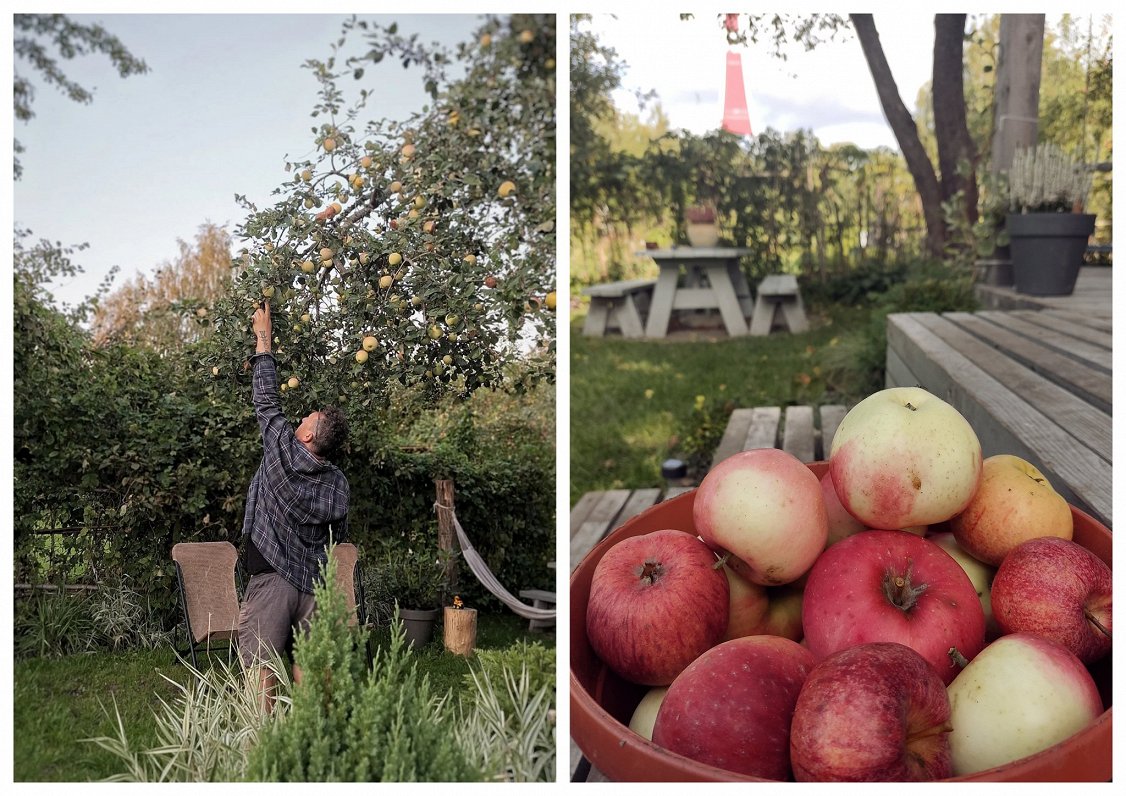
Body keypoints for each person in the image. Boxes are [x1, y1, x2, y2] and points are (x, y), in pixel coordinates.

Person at [237, 301, 350, 712]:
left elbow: (266, 399)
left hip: (271, 577)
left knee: (261, 664)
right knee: (308, 661)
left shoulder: (282, 450)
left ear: (306, 437)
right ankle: (310, 735)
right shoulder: (337, 484)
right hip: (313, 583)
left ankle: (265, 745)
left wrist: (263, 337)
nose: (299, 418)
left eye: (306, 418)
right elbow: (340, 535)